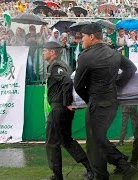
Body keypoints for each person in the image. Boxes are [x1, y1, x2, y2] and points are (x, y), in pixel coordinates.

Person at [74, 23, 137, 180]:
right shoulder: (113, 53)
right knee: (98, 138)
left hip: (97, 102)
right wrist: (117, 85)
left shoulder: (85, 56)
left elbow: (78, 85)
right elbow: (131, 68)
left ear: (91, 37)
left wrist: (90, 100)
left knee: (95, 141)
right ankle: (115, 167)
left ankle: (116, 167)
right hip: (112, 102)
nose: (81, 40)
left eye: (83, 37)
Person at [42, 41, 93, 180]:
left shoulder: (56, 66)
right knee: (66, 141)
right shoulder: (61, 65)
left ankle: (57, 176)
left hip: (59, 108)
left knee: (52, 142)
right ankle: (91, 168)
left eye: (45, 50)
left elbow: (67, 82)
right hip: (62, 108)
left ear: (53, 52)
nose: (43, 52)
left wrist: (66, 102)